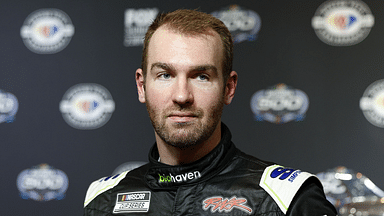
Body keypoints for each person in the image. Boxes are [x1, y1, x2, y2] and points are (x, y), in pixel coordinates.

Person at [83, 9, 337, 215]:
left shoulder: (288, 199)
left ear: (228, 88)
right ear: (142, 86)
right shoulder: (103, 200)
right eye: (165, 75)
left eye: (201, 76)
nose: (182, 95)